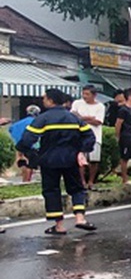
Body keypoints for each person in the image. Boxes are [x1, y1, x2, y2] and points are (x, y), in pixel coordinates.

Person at [16, 88, 96, 234]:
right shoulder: (74, 118)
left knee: (52, 190)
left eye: (44, 98)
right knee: (77, 188)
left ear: (51, 101)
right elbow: (89, 136)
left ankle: (59, 226)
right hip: (71, 159)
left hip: (49, 160)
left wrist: (23, 151)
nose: (43, 101)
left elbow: (28, 139)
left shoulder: (43, 119)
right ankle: (80, 218)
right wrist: (81, 151)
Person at [70, 84, 106, 189]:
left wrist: (81, 118)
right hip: (79, 135)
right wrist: (88, 118)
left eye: (87, 94)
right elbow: (73, 117)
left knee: (94, 160)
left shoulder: (100, 106)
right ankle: (82, 181)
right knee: (81, 160)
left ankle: (91, 181)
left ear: (94, 95)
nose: (85, 96)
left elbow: (98, 122)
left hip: (95, 136)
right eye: (83, 94)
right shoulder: (77, 103)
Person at [113, 88, 131, 185]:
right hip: (125, 135)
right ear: (130, 97)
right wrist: (117, 136)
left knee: (130, 156)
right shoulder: (123, 110)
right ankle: (124, 178)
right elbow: (118, 123)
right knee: (124, 157)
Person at [9, 105, 40, 182]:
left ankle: (24, 180)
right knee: (30, 166)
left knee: (23, 164)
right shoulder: (36, 122)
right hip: (31, 147)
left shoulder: (18, 123)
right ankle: (27, 181)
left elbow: (11, 130)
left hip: (18, 147)